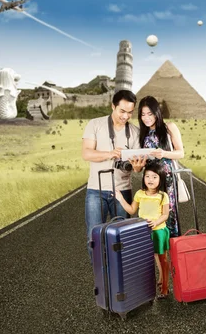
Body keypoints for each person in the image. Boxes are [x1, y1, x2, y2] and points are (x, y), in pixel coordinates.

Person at [82, 90, 147, 261]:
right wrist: (110, 153)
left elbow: (136, 169)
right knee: (94, 237)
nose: (126, 116)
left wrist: (138, 168)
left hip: (123, 191)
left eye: (130, 112)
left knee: (122, 237)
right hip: (96, 190)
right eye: (122, 111)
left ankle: (120, 276)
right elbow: (87, 154)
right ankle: (101, 278)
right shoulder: (94, 124)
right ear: (113, 106)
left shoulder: (134, 132)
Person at [115, 160, 170, 299]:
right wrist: (120, 198)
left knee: (161, 258)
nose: (150, 180)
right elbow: (132, 210)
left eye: (154, 177)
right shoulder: (140, 194)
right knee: (147, 257)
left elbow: (165, 215)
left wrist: (156, 221)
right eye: (147, 176)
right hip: (143, 232)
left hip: (158, 231)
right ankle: (148, 287)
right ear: (143, 177)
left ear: (160, 179)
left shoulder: (163, 196)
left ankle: (165, 287)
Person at [137, 96, 184, 238]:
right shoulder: (143, 133)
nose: (146, 118)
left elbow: (181, 153)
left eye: (149, 114)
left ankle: (174, 250)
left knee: (169, 214)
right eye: (143, 115)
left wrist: (164, 153)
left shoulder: (169, 127)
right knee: (151, 214)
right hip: (150, 181)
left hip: (167, 180)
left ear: (157, 112)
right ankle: (156, 251)